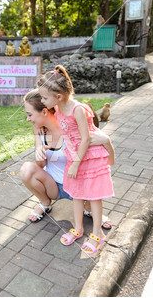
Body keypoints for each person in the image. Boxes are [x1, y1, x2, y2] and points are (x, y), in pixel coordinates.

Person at [36, 65, 115, 255]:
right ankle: (78, 228)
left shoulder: (77, 109)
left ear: (59, 96)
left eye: (45, 97)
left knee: (94, 197)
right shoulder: (57, 106)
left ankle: (98, 234)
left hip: (89, 156)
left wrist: (76, 163)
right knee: (77, 194)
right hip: (75, 156)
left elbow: (86, 138)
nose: (42, 100)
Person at [20, 89, 113, 230]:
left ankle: (90, 208)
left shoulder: (70, 127)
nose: (28, 119)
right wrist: (40, 153)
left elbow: (97, 160)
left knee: (90, 172)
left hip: (78, 184)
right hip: (54, 186)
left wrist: (106, 141)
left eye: (30, 114)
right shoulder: (39, 129)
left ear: (44, 112)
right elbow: (40, 165)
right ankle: (45, 203)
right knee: (26, 169)